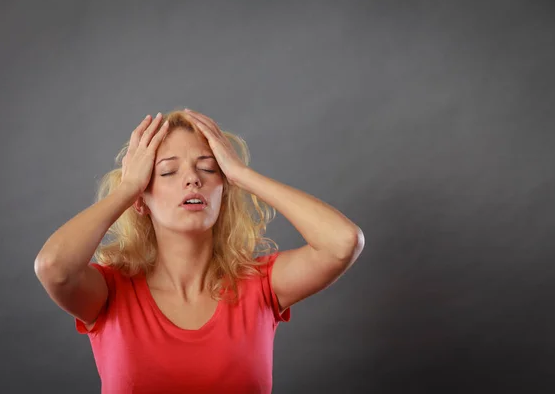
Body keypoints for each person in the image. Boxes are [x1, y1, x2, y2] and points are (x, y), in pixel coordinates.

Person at [34, 108, 365, 393]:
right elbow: (53, 267)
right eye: (167, 171)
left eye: (208, 169)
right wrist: (128, 188)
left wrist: (241, 174)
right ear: (141, 201)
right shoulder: (109, 292)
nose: (192, 179)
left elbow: (342, 242)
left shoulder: (260, 285)